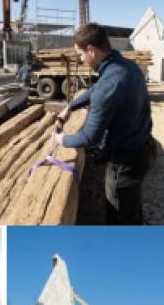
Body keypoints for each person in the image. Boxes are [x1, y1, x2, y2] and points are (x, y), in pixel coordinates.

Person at [52, 23, 156, 225]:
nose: (81, 60)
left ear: (91, 50)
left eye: (80, 54)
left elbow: (90, 137)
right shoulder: (127, 67)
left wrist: (61, 139)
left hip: (125, 164)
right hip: (145, 149)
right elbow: (97, 89)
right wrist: (70, 107)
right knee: (131, 205)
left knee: (119, 218)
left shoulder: (109, 84)